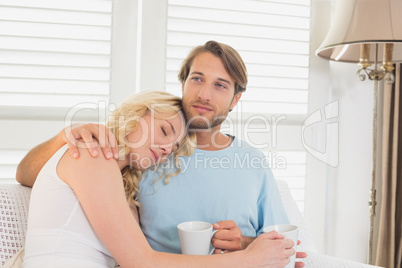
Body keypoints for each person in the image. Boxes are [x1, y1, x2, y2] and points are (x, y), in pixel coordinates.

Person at [17, 41, 306, 267]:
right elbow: (30, 174)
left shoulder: (251, 163)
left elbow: (281, 246)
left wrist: (244, 244)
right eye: (197, 79)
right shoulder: (130, 152)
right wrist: (66, 137)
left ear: (235, 99)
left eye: (220, 85)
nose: (205, 94)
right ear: (183, 83)